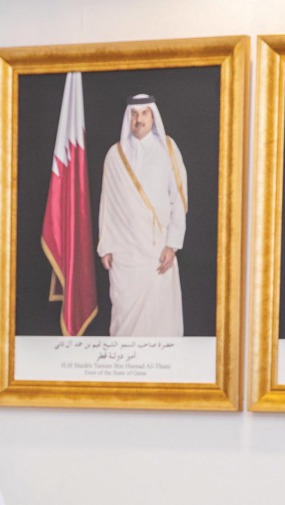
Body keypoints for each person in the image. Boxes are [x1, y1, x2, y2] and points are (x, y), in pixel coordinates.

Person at [97, 93, 189, 337]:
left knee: (160, 314)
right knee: (124, 317)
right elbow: (107, 204)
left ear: (153, 116)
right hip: (124, 253)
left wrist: (173, 245)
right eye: (134, 114)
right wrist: (105, 245)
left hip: (157, 249)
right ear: (128, 118)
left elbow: (178, 200)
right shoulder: (114, 156)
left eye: (144, 113)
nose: (139, 119)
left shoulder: (168, 148)